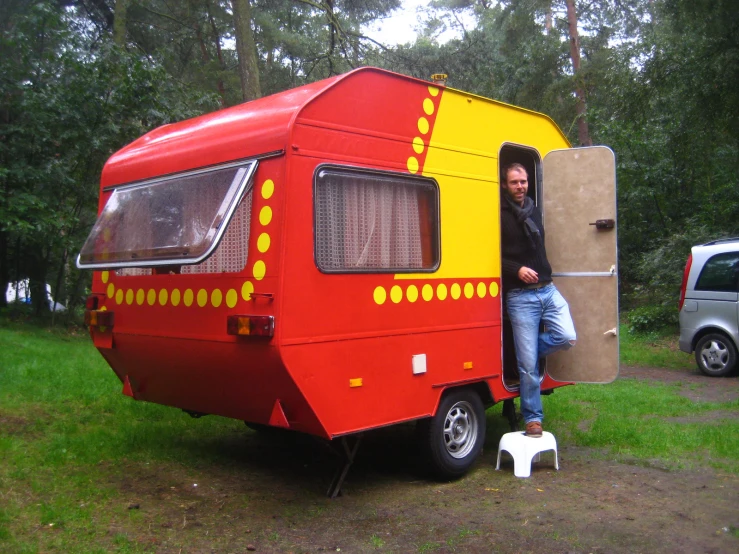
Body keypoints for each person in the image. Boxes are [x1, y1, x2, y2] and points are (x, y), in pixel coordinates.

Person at [500, 163, 576, 437]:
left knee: (566, 337)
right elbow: (491, 255)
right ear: (505, 185)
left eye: (523, 181)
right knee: (529, 369)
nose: (520, 186)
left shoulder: (533, 209)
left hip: (547, 289)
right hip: (520, 296)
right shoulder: (499, 215)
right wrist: (516, 269)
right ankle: (533, 419)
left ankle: (520, 356)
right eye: (514, 182)